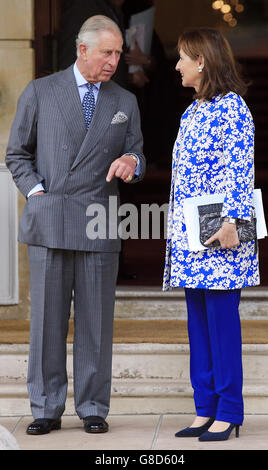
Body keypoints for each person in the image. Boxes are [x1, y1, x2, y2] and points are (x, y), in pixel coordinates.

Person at [6, 15, 145, 435]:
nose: (114, 62)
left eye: (119, 53)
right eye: (107, 52)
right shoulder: (41, 91)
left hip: (99, 219)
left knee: (95, 322)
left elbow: (139, 151)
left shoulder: (124, 101)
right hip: (51, 217)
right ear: (82, 50)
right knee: (47, 320)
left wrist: (131, 162)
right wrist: (36, 193)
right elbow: (17, 155)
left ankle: (93, 406)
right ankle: (46, 407)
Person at [163, 28, 260, 441]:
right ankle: (205, 408)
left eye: (183, 57)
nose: (177, 65)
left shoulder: (232, 108)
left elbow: (240, 169)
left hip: (222, 231)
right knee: (198, 324)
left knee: (221, 324)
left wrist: (233, 224)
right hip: (189, 232)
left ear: (202, 62)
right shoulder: (192, 111)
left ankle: (230, 410)